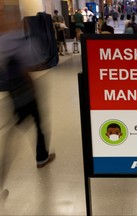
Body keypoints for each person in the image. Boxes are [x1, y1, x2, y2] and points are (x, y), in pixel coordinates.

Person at [0, 6, 55, 171]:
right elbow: (34, 62)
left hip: (13, 90)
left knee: (16, 127)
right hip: (26, 90)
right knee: (38, 124)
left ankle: (38, 158)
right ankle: (41, 158)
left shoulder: (3, 41)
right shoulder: (21, 39)